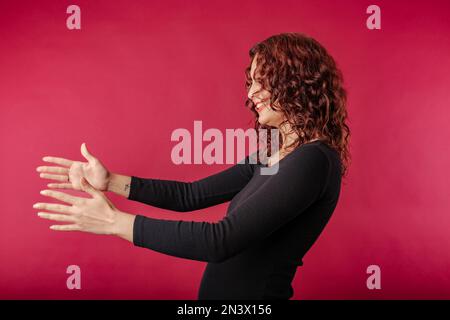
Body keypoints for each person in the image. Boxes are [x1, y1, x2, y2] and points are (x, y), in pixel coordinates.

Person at [33, 32, 351, 300]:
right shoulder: (271, 152)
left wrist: (115, 223)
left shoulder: (313, 160)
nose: (251, 93)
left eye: (261, 81)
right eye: (250, 82)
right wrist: (111, 181)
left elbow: (221, 240)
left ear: (295, 82)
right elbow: (192, 196)